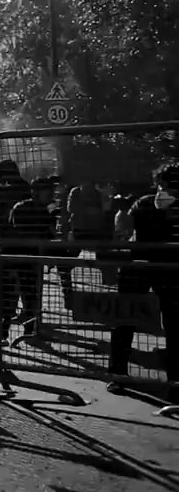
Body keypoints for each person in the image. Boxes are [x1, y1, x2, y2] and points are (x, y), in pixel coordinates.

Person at [108, 163, 179, 396]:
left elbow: (126, 231)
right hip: (155, 267)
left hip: (143, 266)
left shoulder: (144, 202)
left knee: (128, 320)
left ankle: (117, 374)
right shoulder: (148, 202)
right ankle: (173, 381)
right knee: (165, 322)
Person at [2, 176, 60, 345]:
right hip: (15, 258)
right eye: (47, 191)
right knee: (11, 299)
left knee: (30, 298)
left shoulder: (45, 211)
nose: (51, 194)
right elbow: (24, 232)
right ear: (36, 193)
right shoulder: (22, 208)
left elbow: (49, 235)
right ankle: (4, 333)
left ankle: (29, 331)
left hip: (30, 260)